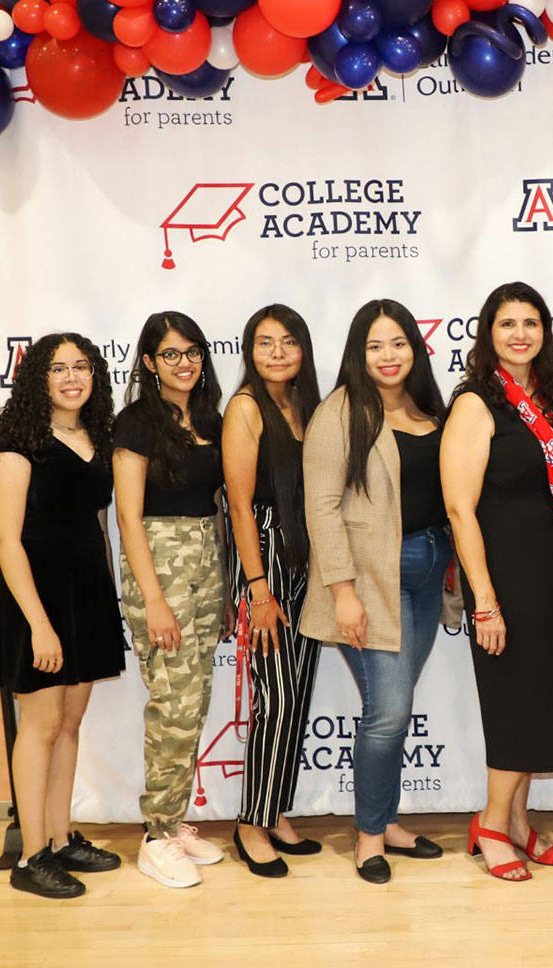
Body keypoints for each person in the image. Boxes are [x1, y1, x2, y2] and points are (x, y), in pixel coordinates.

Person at [300, 299, 456, 884]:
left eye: (398, 344)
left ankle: (386, 820)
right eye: (374, 346)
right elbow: (322, 505)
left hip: (426, 570)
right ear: (357, 353)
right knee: (387, 714)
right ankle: (369, 837)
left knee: (396, 706)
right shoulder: (340, 412)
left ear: (414, 349)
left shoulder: (427, 408)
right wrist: (343, 591)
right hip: (369, 581)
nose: (388, 357)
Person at [440, 282, 553, 884]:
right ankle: (493, 824)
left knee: (540, 700)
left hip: (549, 571)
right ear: (488, 333)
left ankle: (519, 822)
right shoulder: (477, 402)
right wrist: (486, 602)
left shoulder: (548, 398)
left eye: (531, 323)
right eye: (507, 324)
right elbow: (458, 508)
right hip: (501, 578)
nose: (520, 334)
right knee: (513, 703)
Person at [0, 332, 124, 899]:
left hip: (85, 594)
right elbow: (5, 540)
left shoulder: (95, 437)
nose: (72, 377)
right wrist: (39, 623)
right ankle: (31, 855)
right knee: (39, 728)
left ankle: (62, 838)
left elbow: (93, 525)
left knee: (68, 725)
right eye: (59, 368)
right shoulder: (18, 446)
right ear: (38, 377)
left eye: (81, 367)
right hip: (34, 601)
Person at [113, 311, 229, 889]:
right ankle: (156, 834)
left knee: (194, 700)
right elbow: (129, 519)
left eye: (193, 352)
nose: (185, 363)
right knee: (174, 705)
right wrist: (154, 601)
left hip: (207, 564)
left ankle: (174, 818)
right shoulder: (137, 422)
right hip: (159, 564)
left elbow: (218, 506)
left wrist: (226, 585)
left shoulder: (209, 415)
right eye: (171, 354)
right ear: (149, 362)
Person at [220, 305, 324, 878]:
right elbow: (239, 503)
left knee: (296, 698)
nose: (277, 352)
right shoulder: (245, 408)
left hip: (304, 558)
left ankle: (275, 809)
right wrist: (259, 591)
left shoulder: (304, 406)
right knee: (276, 700)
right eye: (265, 343)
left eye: (288, 342)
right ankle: (250, 822)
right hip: (265, 563)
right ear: (249, 351)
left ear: (304, 350)